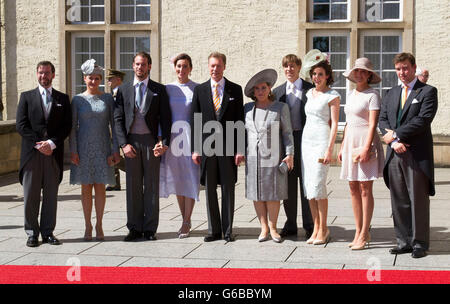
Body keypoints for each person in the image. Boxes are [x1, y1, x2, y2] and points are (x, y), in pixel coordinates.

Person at [379, 52, 438, 259]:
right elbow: (383, 119)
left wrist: (396, 134)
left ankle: (420, 243)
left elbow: (423, 120)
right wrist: (394, 142)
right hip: (395, 153)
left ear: (413, 68)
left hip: (416, 154)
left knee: (417, 200)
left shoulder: (427, 92)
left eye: (405, 68)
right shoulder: (390, 92)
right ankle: (403, 241)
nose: (402, 72)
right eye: (398, 69)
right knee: (399, 199)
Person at [114, 52, 172, 242]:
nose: (140, 67)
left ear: (149, 66)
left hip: (151, 142)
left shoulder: (159, 90)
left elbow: (165, 117)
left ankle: (149, 229)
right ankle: (134, 228)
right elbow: (118, 119)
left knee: (151, 186)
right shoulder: (123, 90)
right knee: (133, 186)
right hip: (131, 143)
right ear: (133, 66)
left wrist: (163, 142)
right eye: (137, 64)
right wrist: (124, 144)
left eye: (144, 64)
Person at [16, 61, 72, 247]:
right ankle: (32, 233)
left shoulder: (62, 99)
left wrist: (52, 143)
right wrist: (38, 144)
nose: (43, 76)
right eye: (40, 73)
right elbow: (21, 125)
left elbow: (67, 126)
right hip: (32, 155)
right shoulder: (26, 97)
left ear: (53, 75)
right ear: (36, 74)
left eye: (47, 73)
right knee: (30, 196)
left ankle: (48, 232)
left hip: (52, 155)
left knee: (50, 196)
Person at [190, 52, 245, 242]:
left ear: (224, 67)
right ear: (208, 67)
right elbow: (195, 121)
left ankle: (228, 230)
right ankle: (213, 230)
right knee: (210, 188)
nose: (215, 69)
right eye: (212, 66)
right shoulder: (200, 90)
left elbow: (240, 121)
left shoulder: (235, 90)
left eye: (218, 66)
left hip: (229, 146)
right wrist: (195, 149)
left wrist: (240, 149)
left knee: (228, 188)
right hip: (207, 147)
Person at [70, 59, 120, 241]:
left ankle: (99, 224)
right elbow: (72, 128)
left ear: (100, 79)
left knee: (100, 187)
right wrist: (73, 151)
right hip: (82, 149)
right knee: (85, 188)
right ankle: (87, 225)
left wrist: (115, 150)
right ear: (84, 79)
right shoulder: (77, 100)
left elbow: (114, 126)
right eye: (90, 78)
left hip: (102, 147)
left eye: (97, 78)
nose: (93, 81)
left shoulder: (107, 98)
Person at [338, 57, 385, 250]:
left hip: (365, 141)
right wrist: (342, 146)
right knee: (352, 187)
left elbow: (373, 124)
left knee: (366, 188)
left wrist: (367, 148)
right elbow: (348, 122)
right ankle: (358, 230)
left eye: (363, 71)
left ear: (369, 75)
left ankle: (365, 232)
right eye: (356, 71)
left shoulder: (373, 95)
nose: (359, 74)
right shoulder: (350, 94)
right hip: (350, 142)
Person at [244, 69, 294, 243]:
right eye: (257, 89)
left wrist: (290, 154)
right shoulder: (247, 109)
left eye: (263, 87)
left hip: (274, 157)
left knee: (273, 193)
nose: (260, 91)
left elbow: (287, 133)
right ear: (253, 92)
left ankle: (273, 228)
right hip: (253, 158)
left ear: (269, 88)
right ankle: (263, 227)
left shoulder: (280, 107)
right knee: (256, 193)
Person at [273, 54, 314, 239]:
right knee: (288, 185)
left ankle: (309, 224)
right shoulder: (277, 92)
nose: (289, 69)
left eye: (292, 66)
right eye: (286, 67)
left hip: (305, 140)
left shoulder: (310, 89)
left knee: (306, 184)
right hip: (285, 143)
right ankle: (290, 224)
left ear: (299, 68)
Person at [301, 52, 340, 245]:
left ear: (327, 76)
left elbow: (334, 124)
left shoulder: (332, 96)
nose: (316, 78)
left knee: (318, 185)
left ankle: (324, 228)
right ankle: (316, 227)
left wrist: (329, 149)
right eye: (314, 74)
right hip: (307, 142)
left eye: (320, 74)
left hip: (322, 140)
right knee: (309, 187)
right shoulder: (309, 93)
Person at [160, 53, 200, 239]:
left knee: (190, 177)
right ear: (174, 68)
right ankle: (184, 218)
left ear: (190, 68)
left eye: (185, 66)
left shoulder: (197, 89)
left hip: (190, 138)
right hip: (173, 138)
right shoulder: (167, 89)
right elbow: (163, 115)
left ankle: (187, 220)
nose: (181, 70)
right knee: (177, 179)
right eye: (178, 66)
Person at [105, 69, 126, 192]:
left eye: (110, 78)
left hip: (120, 129)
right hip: (110, 128)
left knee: (119, 155)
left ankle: (138, 173)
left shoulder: (123, 93)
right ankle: (114, 183)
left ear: (118, 79)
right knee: (111, 152)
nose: (108, 81)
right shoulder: (111, 94)